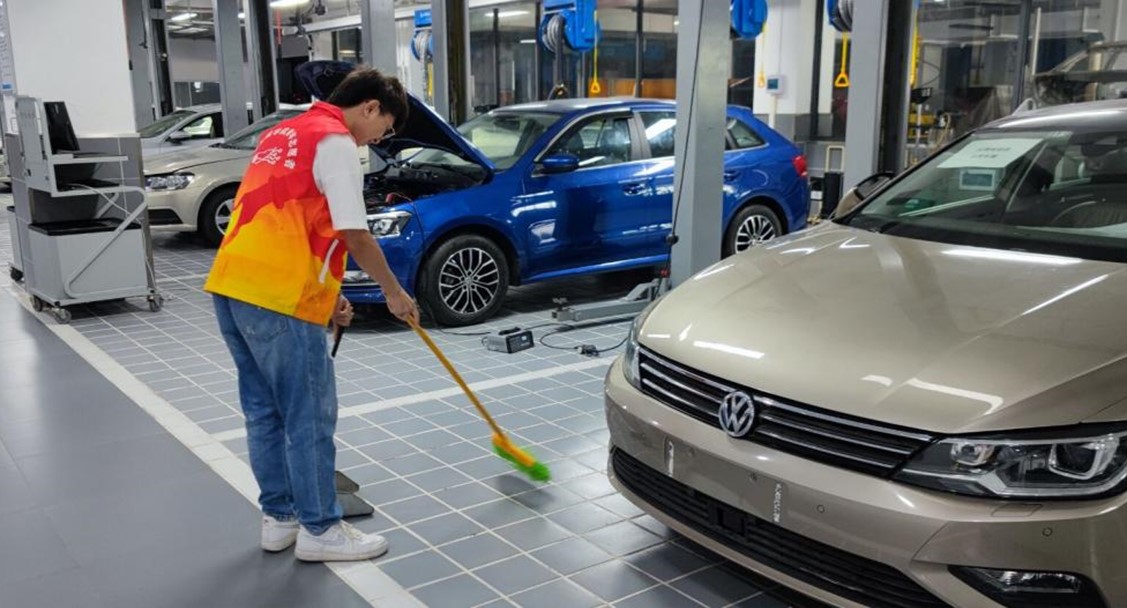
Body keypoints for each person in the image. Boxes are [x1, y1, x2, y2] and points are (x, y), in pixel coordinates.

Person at [203, 66, 420, 562]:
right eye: (383, 128)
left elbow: (290, 216)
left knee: (264, 411)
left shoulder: (283, 132)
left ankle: (279, 519)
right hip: (279, 296)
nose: (378, 139)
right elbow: (354, 233)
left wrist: (328, 293)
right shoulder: (335, 141)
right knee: (309, 416)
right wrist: (394, 293)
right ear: (370, 107)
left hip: (233, 284)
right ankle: (321, 528)